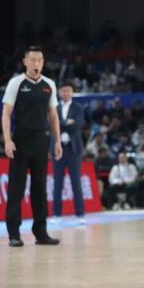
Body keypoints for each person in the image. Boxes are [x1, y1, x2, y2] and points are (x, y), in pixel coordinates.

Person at [1, 47, 61, 247]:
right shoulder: (16, 83)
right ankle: (14, 233)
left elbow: (53, 115)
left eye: (40, 60)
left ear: (43, 62)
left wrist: (57, 141)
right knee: (16, 188)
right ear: (25, 61)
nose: (36, 63)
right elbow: (6, 113)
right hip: (20, 141)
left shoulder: (49, 84)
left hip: (41, 141)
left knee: (40, 189)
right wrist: (7, 140)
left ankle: (41, 232)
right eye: (33, 59)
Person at [50, 81, 86, 225]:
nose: (66, 93)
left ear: (72, 92)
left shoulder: (78, 108)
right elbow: (52, 125)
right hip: (58, 149)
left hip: (73, 149)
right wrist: (67, 123)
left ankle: (80, 214)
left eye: (68, 90)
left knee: (76, 182)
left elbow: (78, 125)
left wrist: (61, 124)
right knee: (57, 183)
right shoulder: (54, 108)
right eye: (63, 90)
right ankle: (56, 214)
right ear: (59, 93)